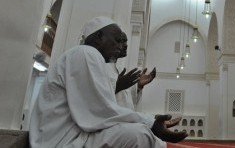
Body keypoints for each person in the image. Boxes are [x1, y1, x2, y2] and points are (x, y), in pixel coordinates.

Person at [29, 16, 188, 147]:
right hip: (62, 140)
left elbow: (103, 107)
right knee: (140, 135)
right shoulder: (86, 53)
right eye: (117, 40)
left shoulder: (89, 57)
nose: (120, 46)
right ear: (99, 37)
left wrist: (146, 113)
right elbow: (100, 110)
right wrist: (151, 123)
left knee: (139, 133)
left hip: (75, 135)